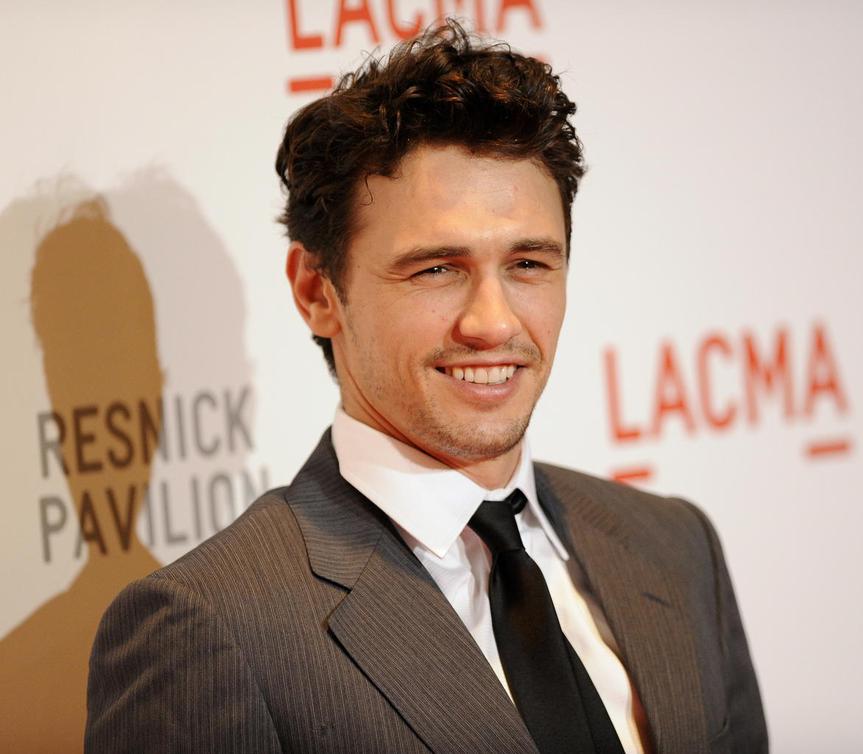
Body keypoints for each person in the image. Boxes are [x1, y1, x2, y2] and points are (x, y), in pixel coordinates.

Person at [86, 21, 767, 754]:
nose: (493, 321)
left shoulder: (674, 546)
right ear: (317, 291)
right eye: (436, 269)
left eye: (528, 265)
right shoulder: (211, 627)